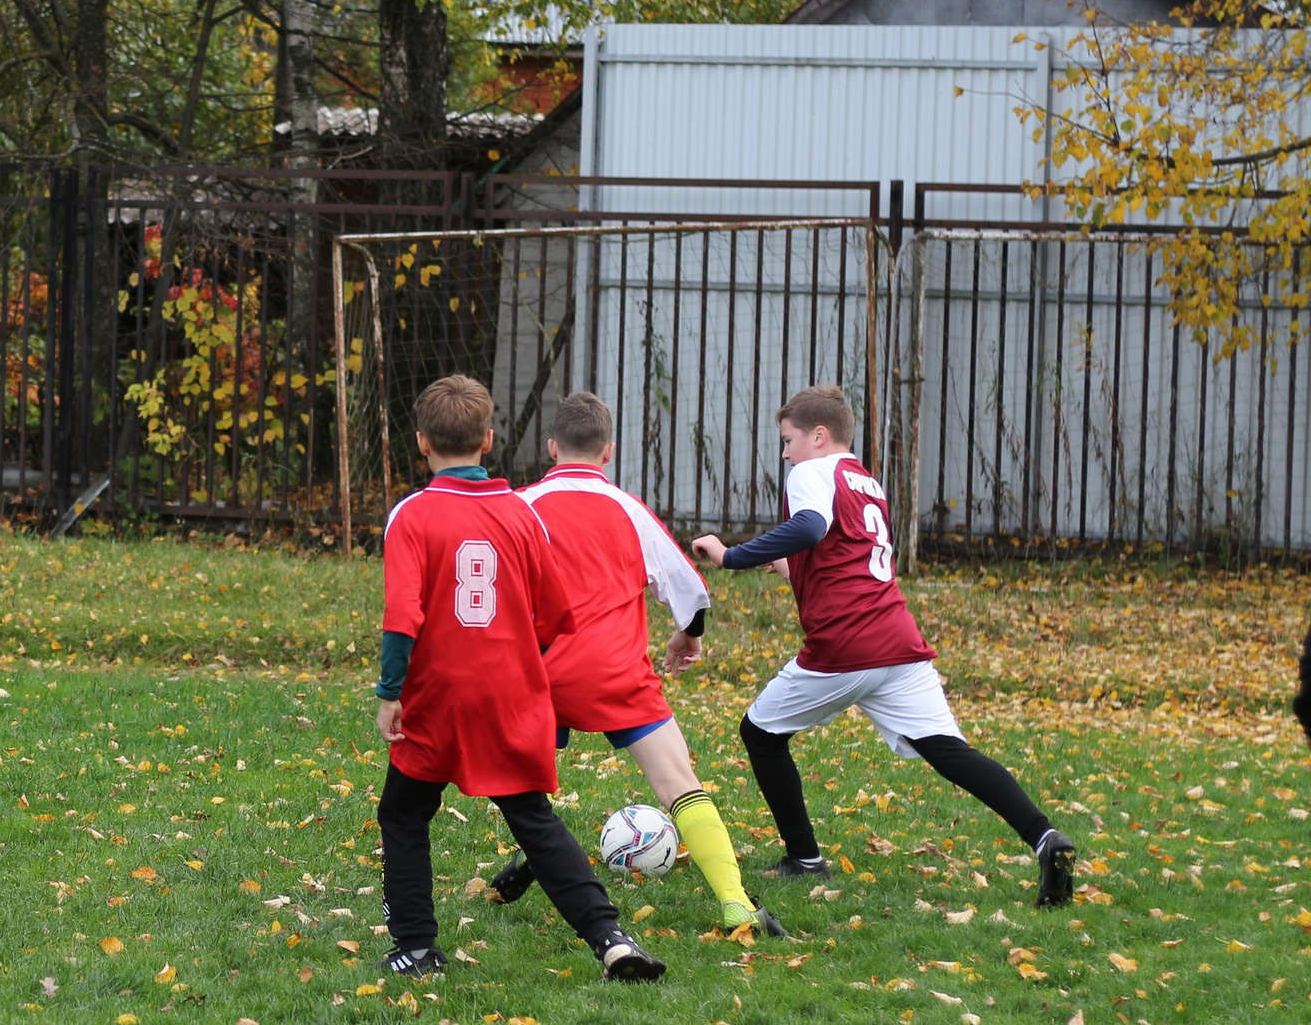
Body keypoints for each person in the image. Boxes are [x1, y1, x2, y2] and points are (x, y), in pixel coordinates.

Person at [691, 385, 1076, 907]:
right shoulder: (866, 481)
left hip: (847, 644)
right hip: (897, 639)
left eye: (788, 440)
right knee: (949, 751)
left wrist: (730, 555)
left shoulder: (811, 472)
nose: (785, 453)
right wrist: (779, 563)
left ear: (819, 435)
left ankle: (804, 857)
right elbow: (839, 556)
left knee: (758, 732)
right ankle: (1045, 837)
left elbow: (808, 527)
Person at [374, 374, 665, 983]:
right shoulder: (522, 514)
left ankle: (418, 948)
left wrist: (390, 693)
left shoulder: (412, 515)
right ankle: (610, 938)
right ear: (488, 439)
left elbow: (403, 619)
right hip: (509, 697)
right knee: (532, 816)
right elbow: (557, 615)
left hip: (438, 697)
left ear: (421, 442)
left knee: (404, 813)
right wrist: (513, 657)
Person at [495, 391, 783, 937]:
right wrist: (687, 638)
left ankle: (541, 857)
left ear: (552, 447)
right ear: (609, 453)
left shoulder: (519, 507)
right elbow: (692, 593)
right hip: (613, 672)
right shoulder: (628, 509)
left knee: (528, 792)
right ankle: (735, 903)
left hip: (537, 673)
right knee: (679, 783)